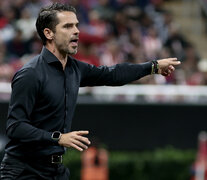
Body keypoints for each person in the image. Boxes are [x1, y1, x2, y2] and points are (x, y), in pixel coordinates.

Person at [0, 3, 180, 180]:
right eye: (68, 26)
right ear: (49, 33)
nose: (76, 30)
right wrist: (57, 138)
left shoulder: (74, 69)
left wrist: (152, 66)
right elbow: (15, 127)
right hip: (24, 171)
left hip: (55, 171)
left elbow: (112, 74)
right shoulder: (30, 74)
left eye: (77, 25)